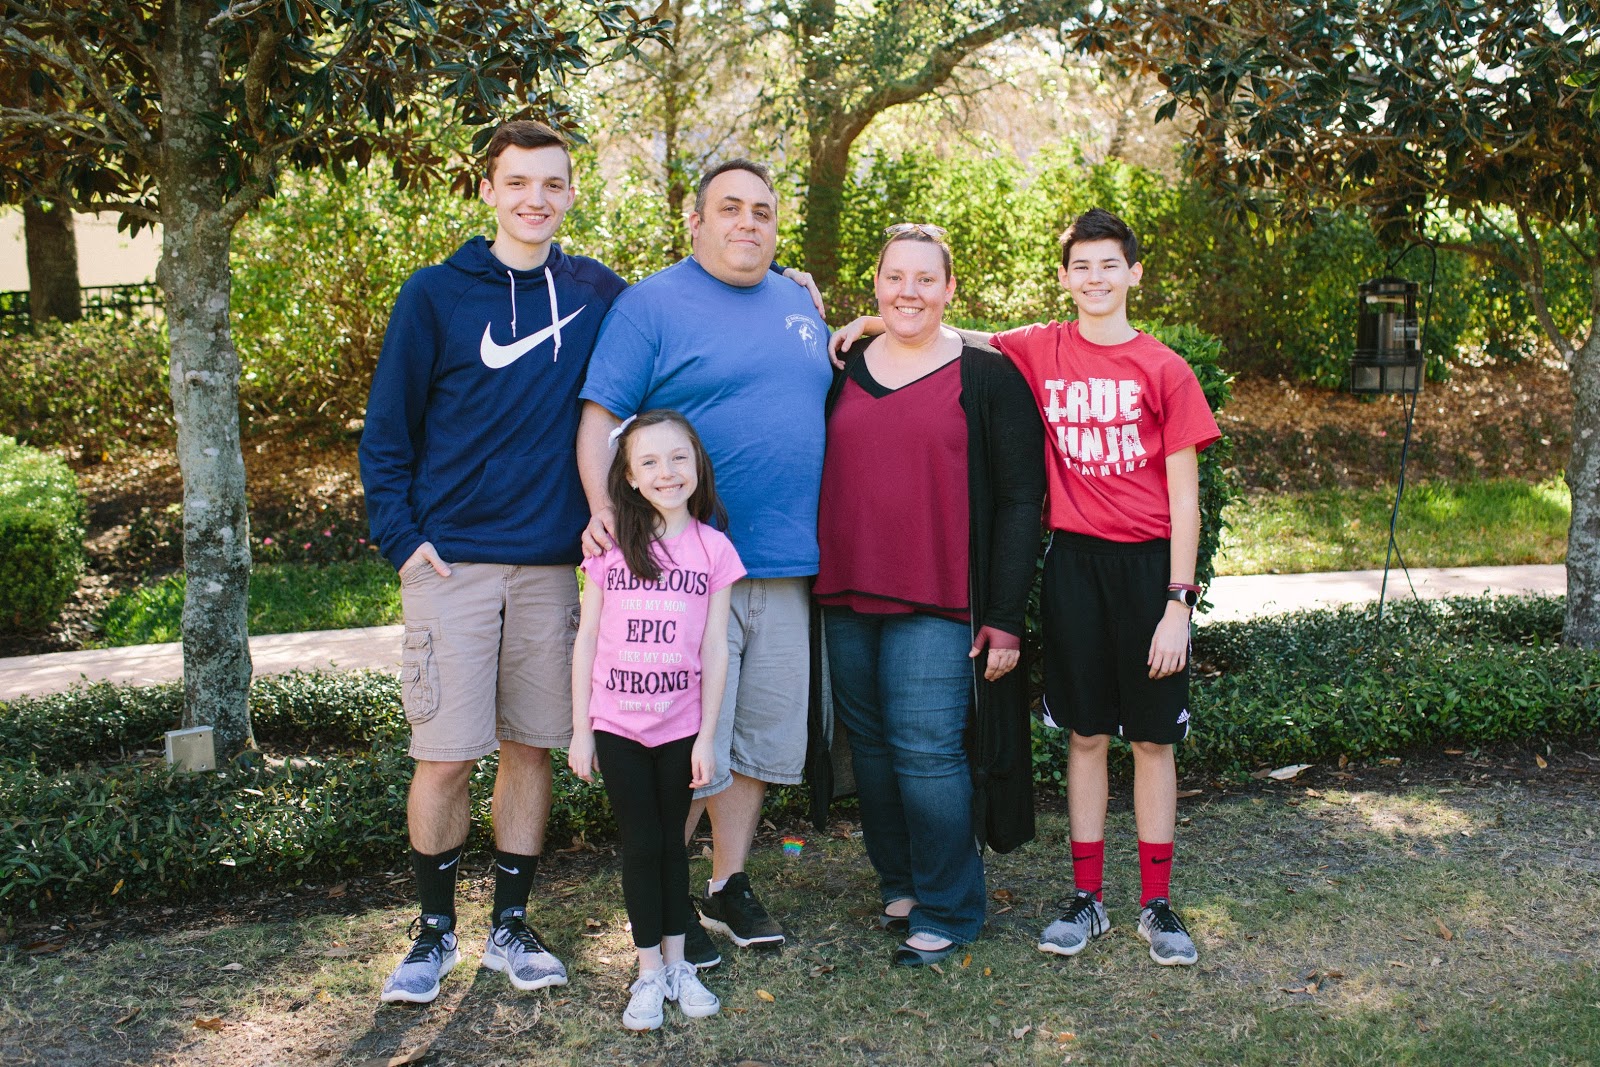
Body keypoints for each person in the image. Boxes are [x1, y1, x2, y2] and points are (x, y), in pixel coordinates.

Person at [831, 207, 1220, 967]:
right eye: (1082, 266)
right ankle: (1087, 898)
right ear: (1066, 276)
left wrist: (1180, 600)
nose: (1097, 278)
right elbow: (953, 338)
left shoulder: (1165, 367)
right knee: (1082, 733)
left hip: (1149, 571)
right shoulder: (1040, 348)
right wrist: (872, 324)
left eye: (1111, 265)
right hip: (1072, 561)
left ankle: (1157, 902)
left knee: (1148, 738)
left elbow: (1186, 501)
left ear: (1135, 273)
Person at [361, 119, 627, 1004]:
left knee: (530, 749)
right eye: (518, 182)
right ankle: (432, 931)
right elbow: (387, 434)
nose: (535, 198)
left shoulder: (598, 291)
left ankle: (511, 924)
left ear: (572, 193)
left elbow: (687, 319)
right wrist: (404, 541)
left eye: (552, 183)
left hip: (552, 568)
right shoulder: (435, 293)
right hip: (452, 568)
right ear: (488, 190)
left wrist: (799, 296)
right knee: (444, 755)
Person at [576, 159, 833, 969]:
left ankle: (726, 882)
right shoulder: (651, 303)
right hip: (678, 570)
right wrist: (606, 516)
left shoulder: (799, 302)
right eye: (730, 208)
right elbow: (600, 420)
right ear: (696, 221)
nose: (747, 222)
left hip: (785, 564)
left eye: (762, 209)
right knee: (681, 732)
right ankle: (663, 889)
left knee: (753, 738)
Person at [815, 224, 1044, 967]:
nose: (908, 291)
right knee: (874, 750)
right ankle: (904, 880)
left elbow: (1019, 500)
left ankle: (951, 904)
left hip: (940, 598)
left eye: (925, 279)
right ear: (875, 286)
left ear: (950, 290)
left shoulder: (986, 375)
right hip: (846, 589)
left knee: (924, 749)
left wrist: (1005, 616)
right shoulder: (842, 365)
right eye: (895, 278)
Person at [569, 410, 743, 1030]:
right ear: (629, 476)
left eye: (678, 459)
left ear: (697, 466)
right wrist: (582, 729)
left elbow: (715, 646)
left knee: (673, 842)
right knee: (641, 844)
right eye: (649, 462)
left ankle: (679, 964)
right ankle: (647, 972)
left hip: (681, 728)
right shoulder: (610, 549)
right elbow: (587, 639)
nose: (666, 472)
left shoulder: (713, 549)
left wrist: (707, 735)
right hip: (618, 726)